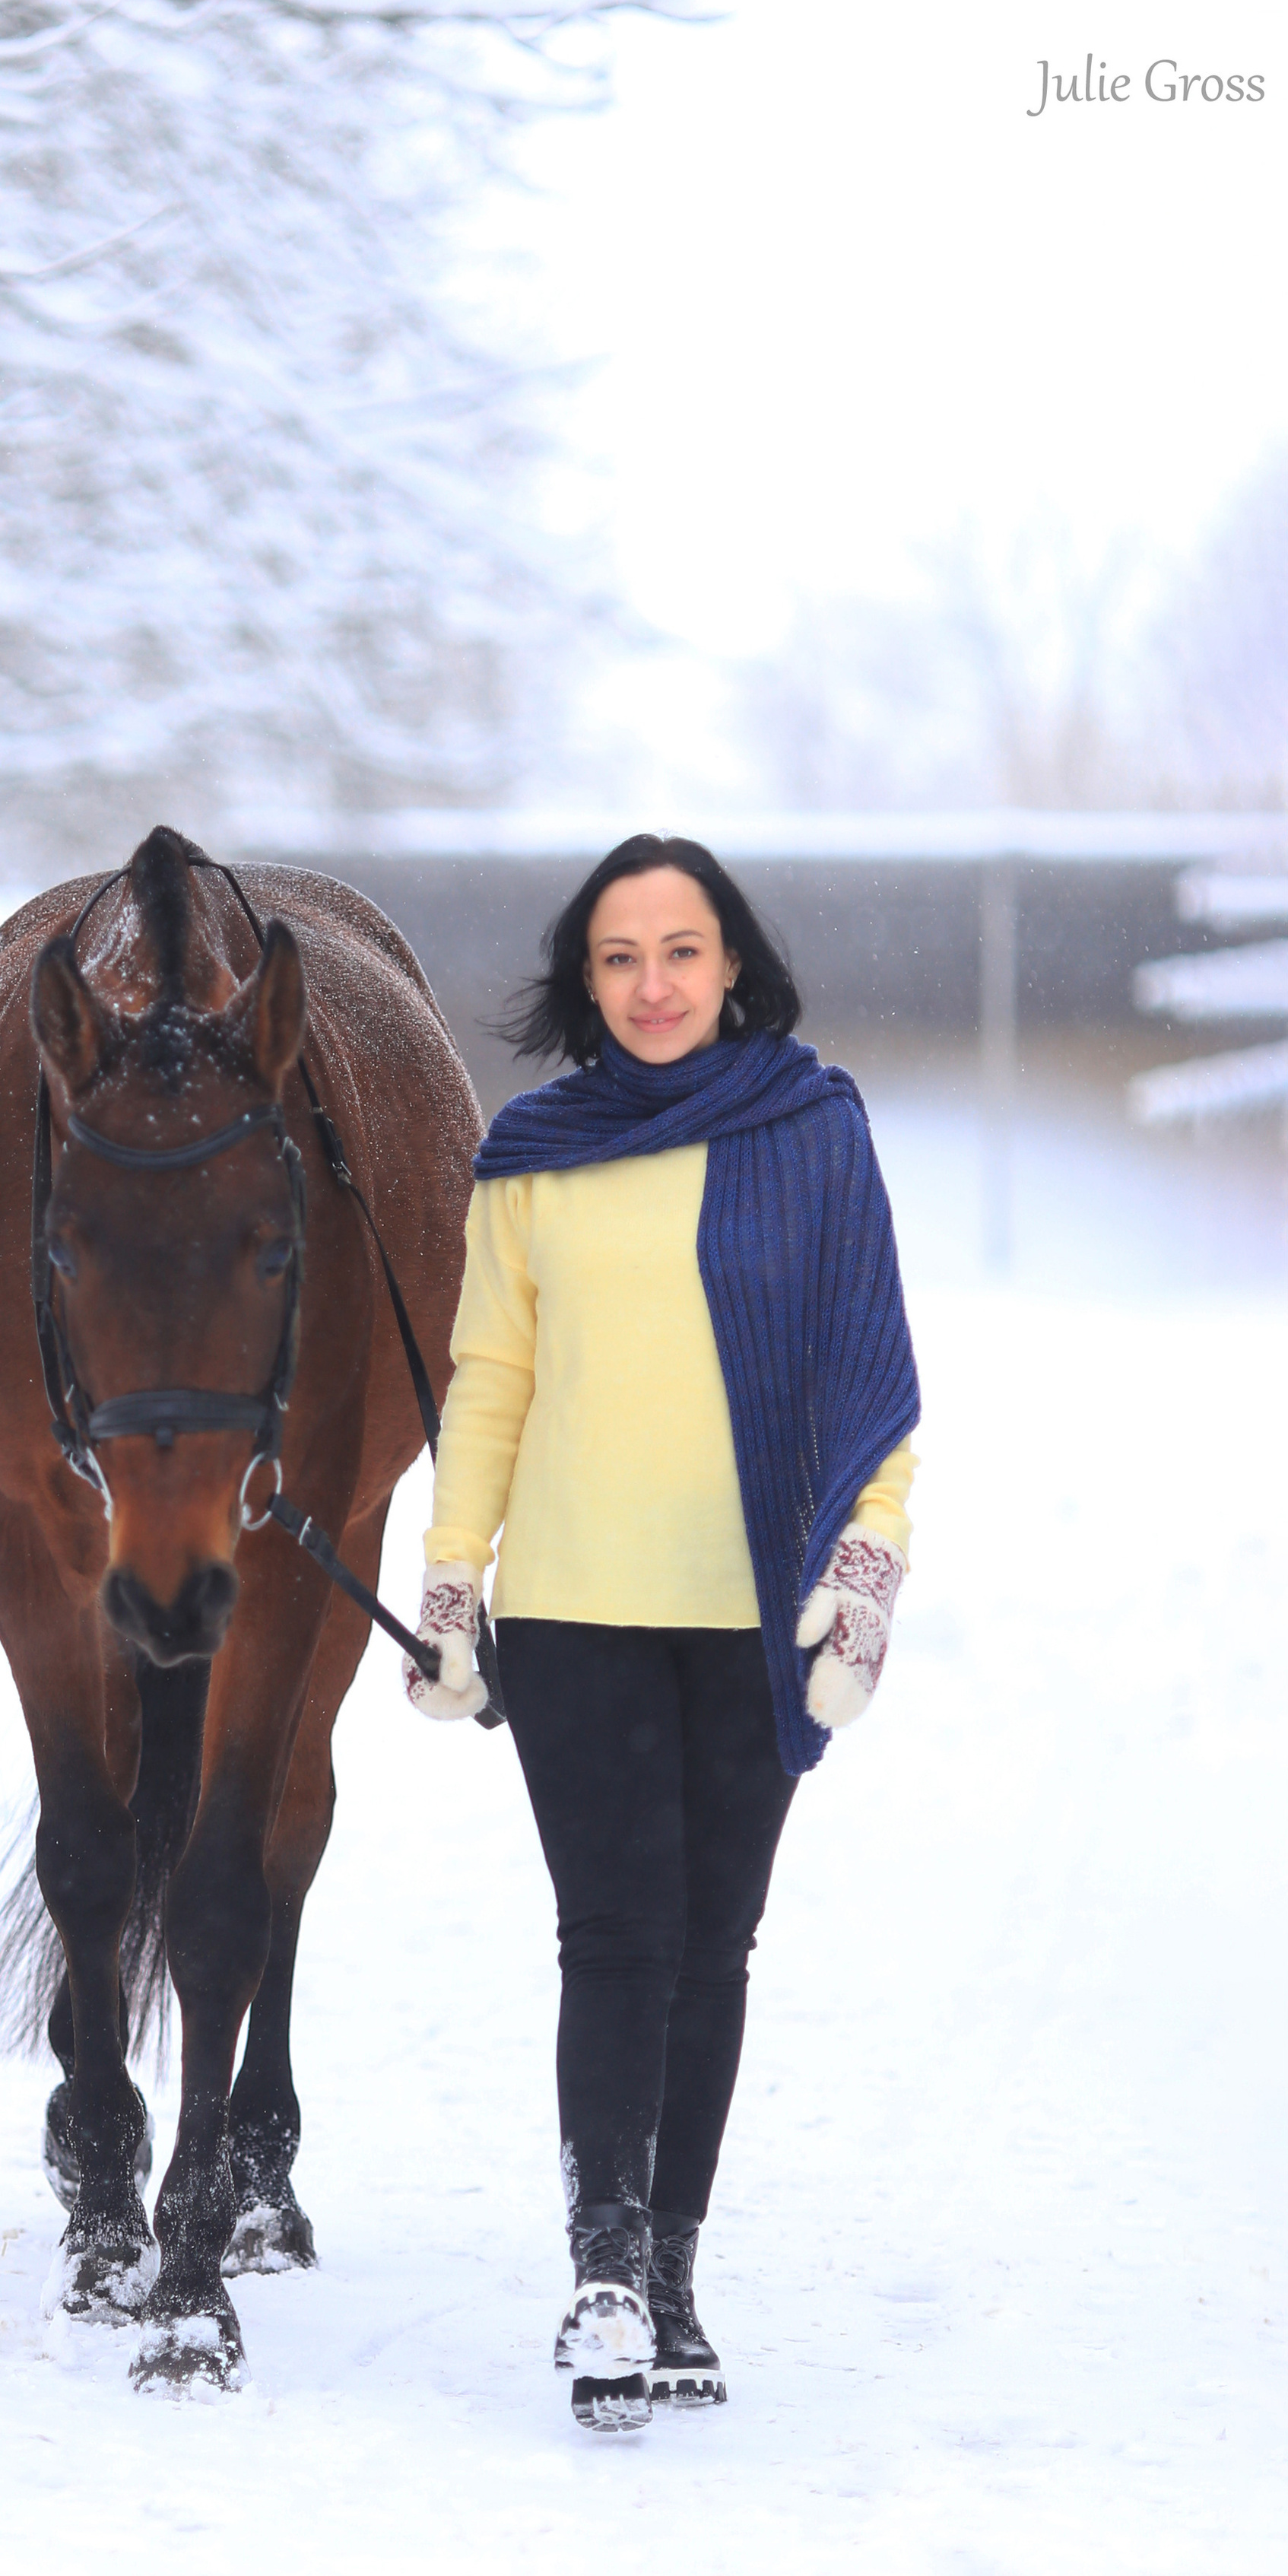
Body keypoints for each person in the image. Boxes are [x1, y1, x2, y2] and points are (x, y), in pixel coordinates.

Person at [404, 835, 920, 2435]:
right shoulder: (531, 1154)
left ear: (730, 962)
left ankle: (673, 2271)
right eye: (619, 957)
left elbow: (866, 1367)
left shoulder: (811, 1129)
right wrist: (449, 1577)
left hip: (751, 1609)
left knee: (712, 1944)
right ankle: (606, 2270)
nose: (651, 985)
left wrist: (868, 1560)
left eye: (679, 951)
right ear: (585, 977)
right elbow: (490, 1379)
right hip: (573, 1610)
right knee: (617, 1935)